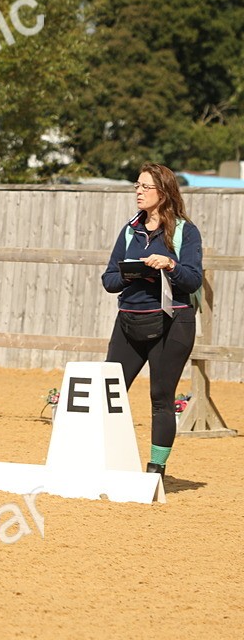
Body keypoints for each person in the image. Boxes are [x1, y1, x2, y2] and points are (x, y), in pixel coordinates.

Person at [101, 163, 203, 480]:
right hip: (128, 321)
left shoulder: (186, 231)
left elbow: (193, 280)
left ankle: (155, 472)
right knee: (109, 394)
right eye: (137, 185)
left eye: (145, 187)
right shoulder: (130, 230)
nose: (138, 191)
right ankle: (107, 461)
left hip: (172, 323)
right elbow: (108, 280)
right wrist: (131, 273)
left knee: (161, 398)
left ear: (164, 191)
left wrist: (169, 264)